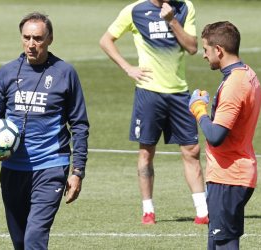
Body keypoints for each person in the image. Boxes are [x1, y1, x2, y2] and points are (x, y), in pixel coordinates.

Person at [0, 12, 89, 250]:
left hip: (50, 167)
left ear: (50, 39)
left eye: (38, 38)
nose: (32, 44)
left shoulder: (65, 73)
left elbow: (79, 124)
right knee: (20, 242)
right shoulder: (7, 72)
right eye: (27, 37)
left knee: (34, 240)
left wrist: (77, 171)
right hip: (12, 168)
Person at [99, 0, 208, 225]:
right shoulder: (135, 10)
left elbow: (193, 47)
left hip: (179, 93)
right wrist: (128, 67)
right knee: (146, 152)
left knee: (192, 150)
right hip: (149, 93)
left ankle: (202, 211)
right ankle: (148, 211)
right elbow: (106, 40)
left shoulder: (185, 7)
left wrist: (172, 21)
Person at [189, 21, 261, 250]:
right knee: (216, 244)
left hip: (228, 176)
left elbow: (216, 135)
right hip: (232, 174)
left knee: (224, 245)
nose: (204, 55)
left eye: (205, 49)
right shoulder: (247, 73)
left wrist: (199, 110)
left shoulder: (235, 84)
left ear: (218, 50)